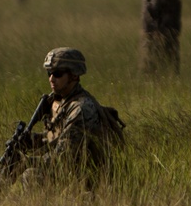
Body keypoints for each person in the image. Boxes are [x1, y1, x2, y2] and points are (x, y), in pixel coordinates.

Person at [13, 47, 124, 188]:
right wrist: (31, 141)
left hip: (91, 180)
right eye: (49, 73)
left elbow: (63, 155)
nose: (51, 79)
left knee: (32, 175)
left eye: (58, 74)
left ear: (74, 76)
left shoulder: (81, 109)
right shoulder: (60, 101)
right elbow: (57, 138)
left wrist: (26, 161)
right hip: (72, 172)